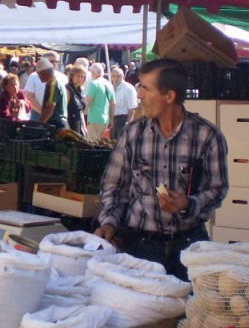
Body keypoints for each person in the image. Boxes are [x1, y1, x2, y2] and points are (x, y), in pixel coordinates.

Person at [95, 58, 229, 280]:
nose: (139, 95)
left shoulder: (207, 136)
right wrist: (109, 222)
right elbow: (114, 186)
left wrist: (188, 204)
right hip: (139, 246)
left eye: (146, 88)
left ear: (169, 96)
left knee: (189, 310)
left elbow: (218, 189)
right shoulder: (133, 134)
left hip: (190, 247)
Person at [85, 63, 116, 142]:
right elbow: (113, 103)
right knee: (100, 143)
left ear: (93, 72)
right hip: (105, 119)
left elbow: (88, 102)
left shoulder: (94, 83)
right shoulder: (109, 84)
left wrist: (83, 115)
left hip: (94, 118)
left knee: (91, 144)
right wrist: (111, 118)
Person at [36, 58, 68, 129]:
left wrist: (39, 124)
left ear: (44, 72)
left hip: (56, 124)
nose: (38, 76)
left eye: (39, 73)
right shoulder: (53, 83)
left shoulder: (53, 84)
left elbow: (49, 109)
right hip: (57, 123)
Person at [110, 66, 138, 139]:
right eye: (113, 76)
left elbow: (132, 108)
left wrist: (128, 123)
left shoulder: (128, 88)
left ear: (123, 76)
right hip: (113, 119)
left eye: (118, 76)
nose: (115, 78)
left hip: (123, 119)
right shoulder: (111, 88)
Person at [65, 65, 88, 136]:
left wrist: (84, 128)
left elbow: (80, 111)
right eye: (78, 76)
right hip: (70, 126)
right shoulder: (67, 90)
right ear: (72, 77)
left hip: (79, 126)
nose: (80, 79)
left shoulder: (79, 90)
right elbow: (64, 110)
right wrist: (67, 128)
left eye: (82, 77)